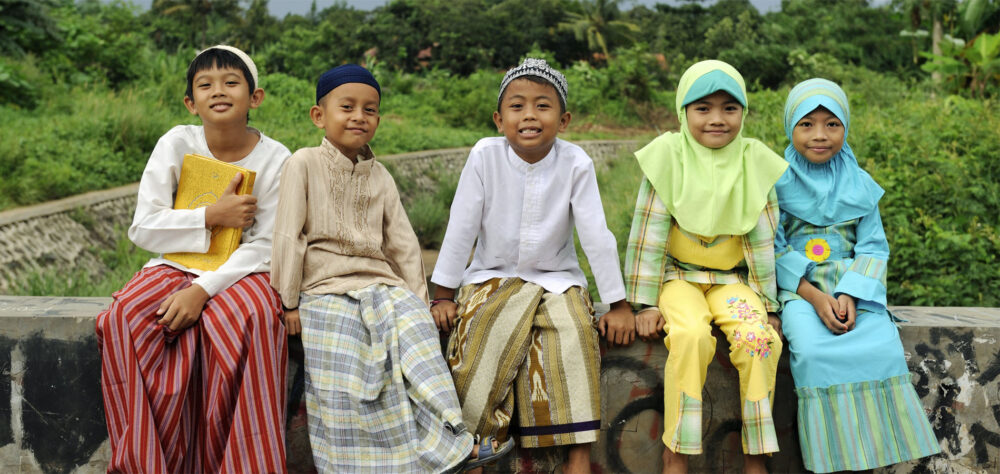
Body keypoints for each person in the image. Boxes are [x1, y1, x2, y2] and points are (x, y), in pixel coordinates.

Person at [270, 64, 511, 473]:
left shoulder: (380, 176)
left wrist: (420, 303)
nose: (358, 116)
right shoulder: (302, 163)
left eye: (369, 109)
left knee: (418, 340)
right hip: (323, 289)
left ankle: (454, 444)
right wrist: (288, 302)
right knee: (346, 359)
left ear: (378, 120)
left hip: (382, 285)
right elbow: (288, 236)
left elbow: (403, 244)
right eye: (346, 107)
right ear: (319, 116)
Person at [430, 57, 635, 474]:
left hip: (558, 279)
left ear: (564, 120)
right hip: (492, 275)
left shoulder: (576, 162)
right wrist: (442, 295)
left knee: (575, 332)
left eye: (543, 106)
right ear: (498, 118)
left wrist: (617, 304)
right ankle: (474, 443)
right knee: (481, 332)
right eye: (517, 106)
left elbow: (596, 235)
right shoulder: (485, 156)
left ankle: (578, 457)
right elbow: (461, 224)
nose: (529, 116)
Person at [95, 45, 289, 473]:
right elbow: (143, 226)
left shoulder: (278, 159)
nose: (218, 91)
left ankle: (245, 464)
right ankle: (145, 463)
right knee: (123, 316)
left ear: (255, 97)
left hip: (245, 270)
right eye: (205, 85)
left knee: (247, 319)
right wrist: (211, 216)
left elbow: (267, 245)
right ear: (191, 102)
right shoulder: (176, 143)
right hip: (175, 263)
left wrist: (202, 291)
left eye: (231, 82)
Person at [624, 60, 789, 474]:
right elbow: (648, 235)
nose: (717, 119)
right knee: (692, 336)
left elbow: (762, 242)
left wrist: (769, 306)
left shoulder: (755, 162)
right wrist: (644, 303)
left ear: (744, 113)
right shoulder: (668, 157)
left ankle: (756, 453)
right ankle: (676, 450)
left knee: (759, 341)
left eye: (729, 108)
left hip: (732, 280)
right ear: (683, 111)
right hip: (678, 277)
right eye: (703, 108)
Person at [774, 78, 940, 473]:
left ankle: (872, 458)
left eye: (832, 124)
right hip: (801, 292)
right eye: (806, 124)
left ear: (846, 127)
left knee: (881, 348)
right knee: (812, 353)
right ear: (789, 127)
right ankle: (830, 459)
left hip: (856, 291)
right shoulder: (773, 182)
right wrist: (815, 298)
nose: (820, 135)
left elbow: (872, 246)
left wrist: (849, 293)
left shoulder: (860, 184)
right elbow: (773, 249)